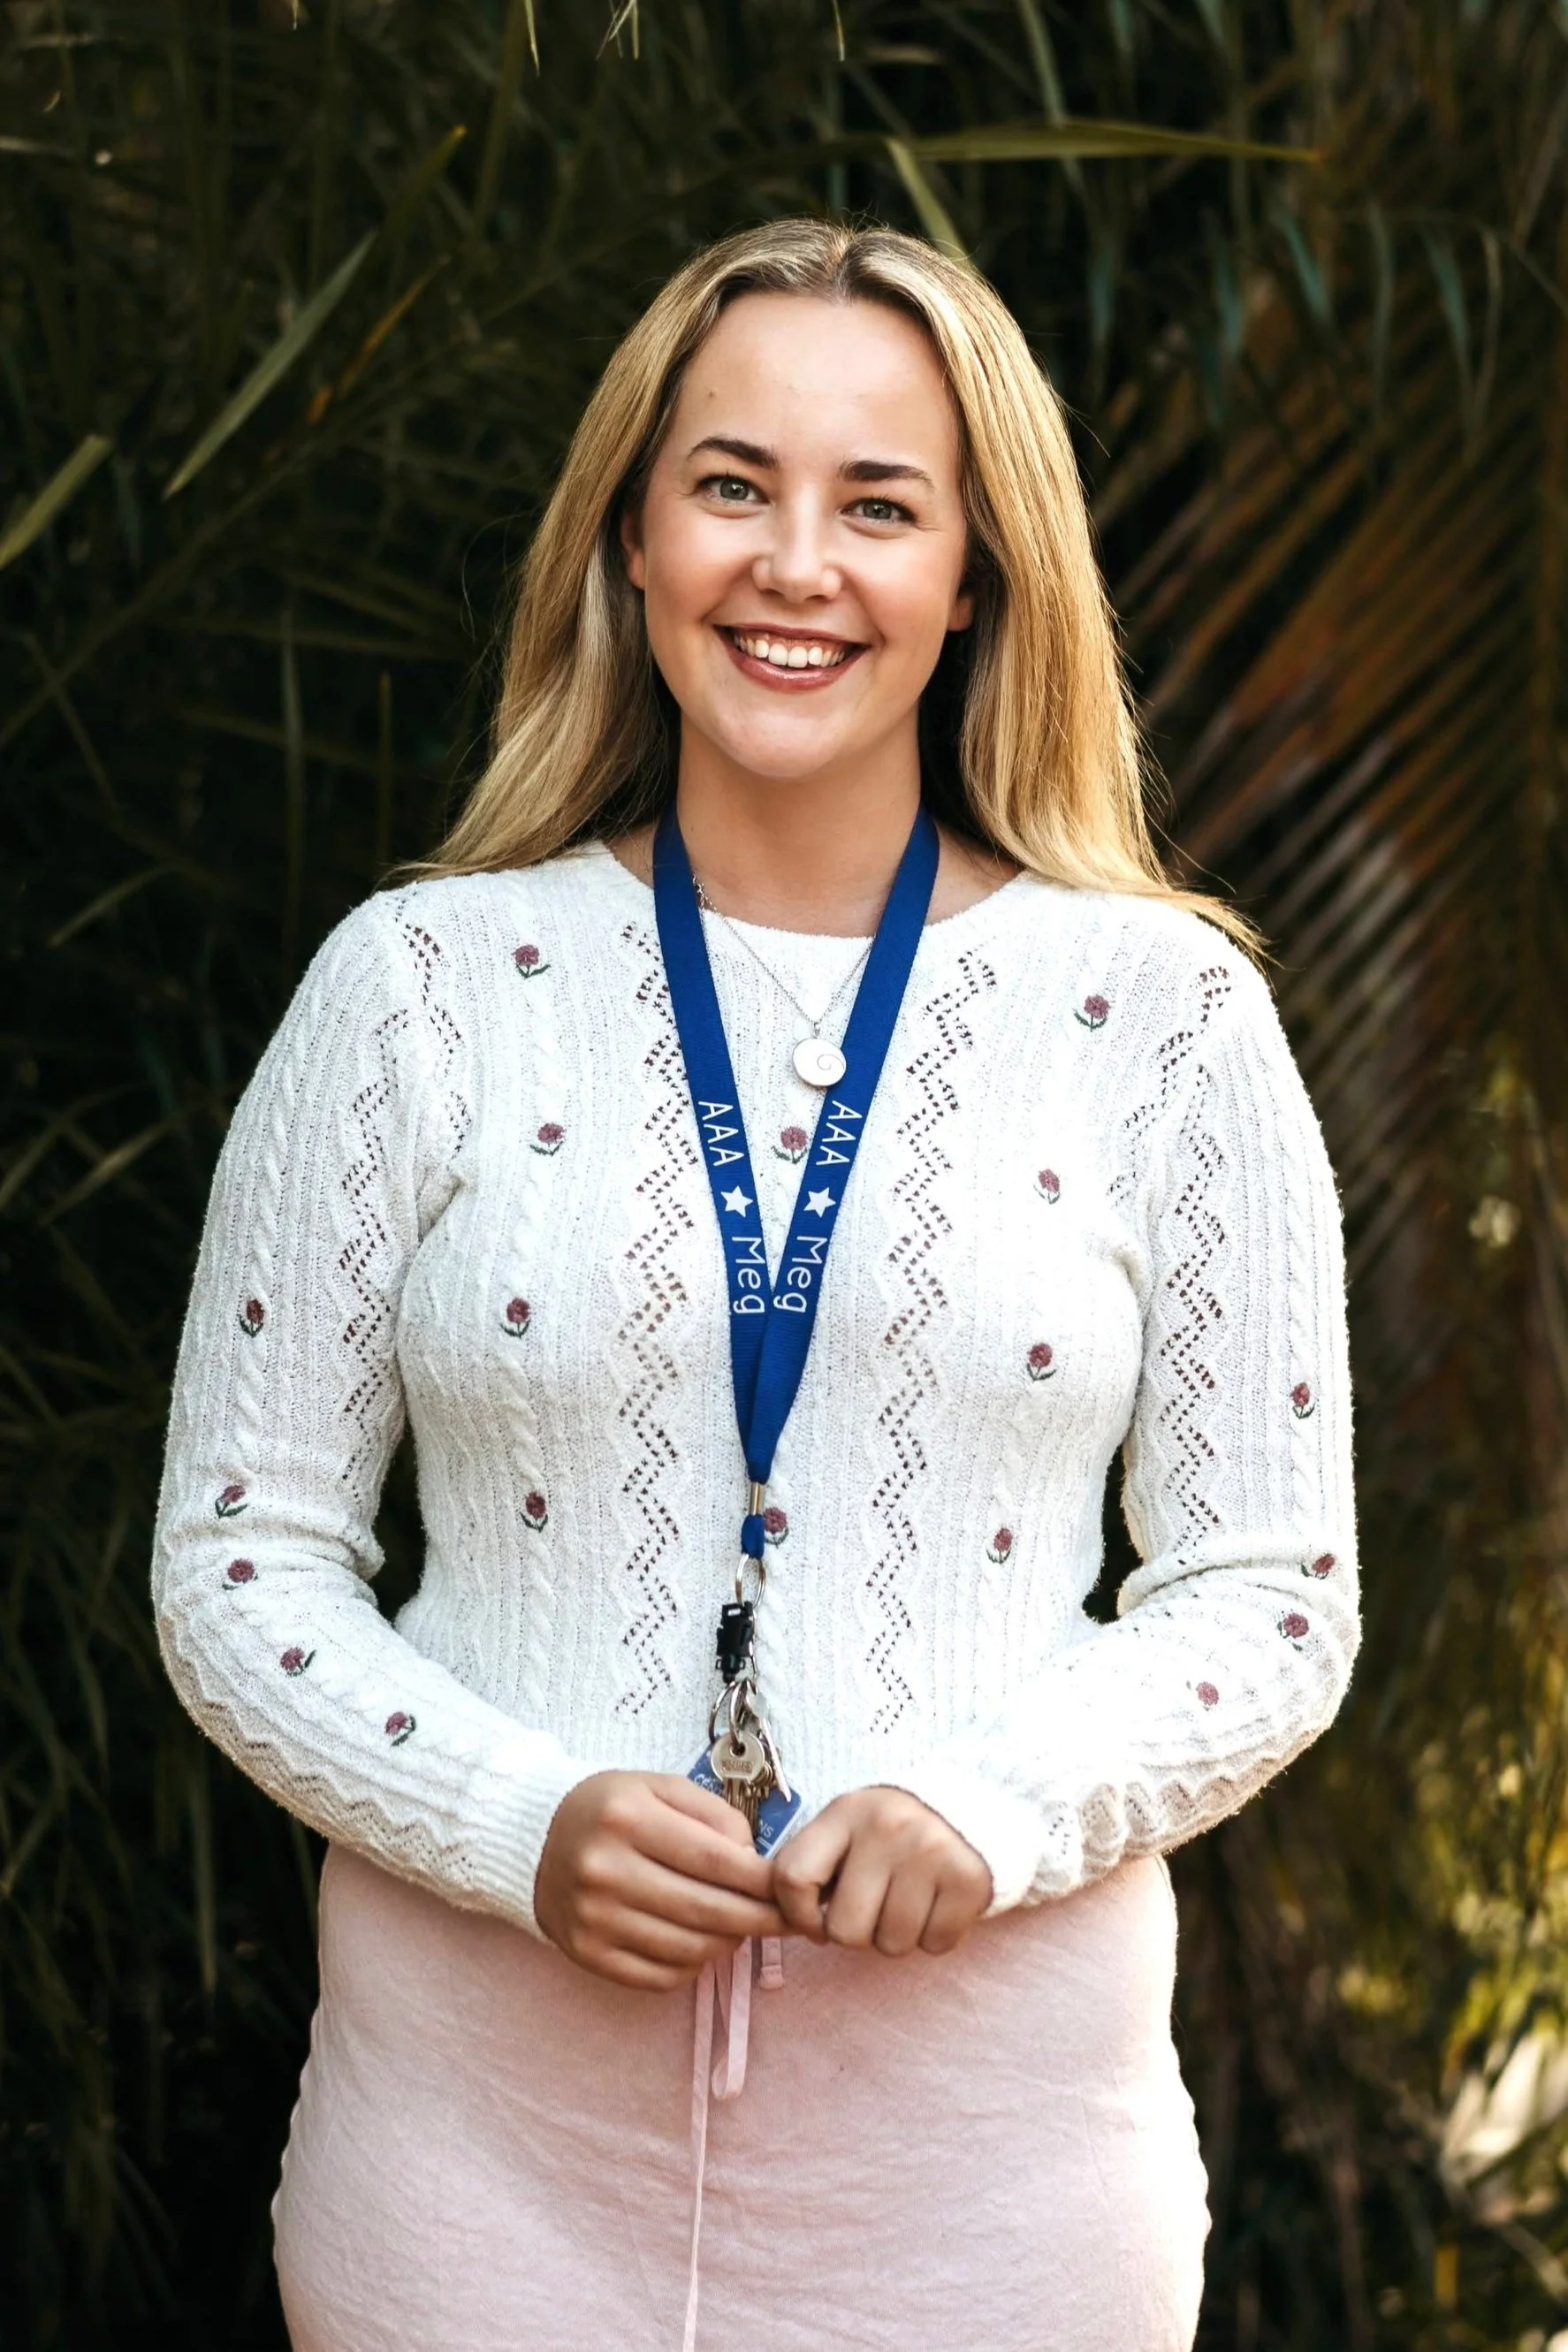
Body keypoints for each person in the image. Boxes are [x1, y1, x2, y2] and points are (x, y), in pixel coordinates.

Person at [151, 219, 1359, 2352]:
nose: (794, 561)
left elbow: (1269, 1589)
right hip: (476, 2161)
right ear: (632, 532)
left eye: (877, 503)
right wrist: (513, 1819)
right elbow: (239, 1558)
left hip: (996, 2179)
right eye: (731, 483)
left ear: (976, 572)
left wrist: (992, 1810)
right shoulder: (417, 988)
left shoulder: (1157, 1013)